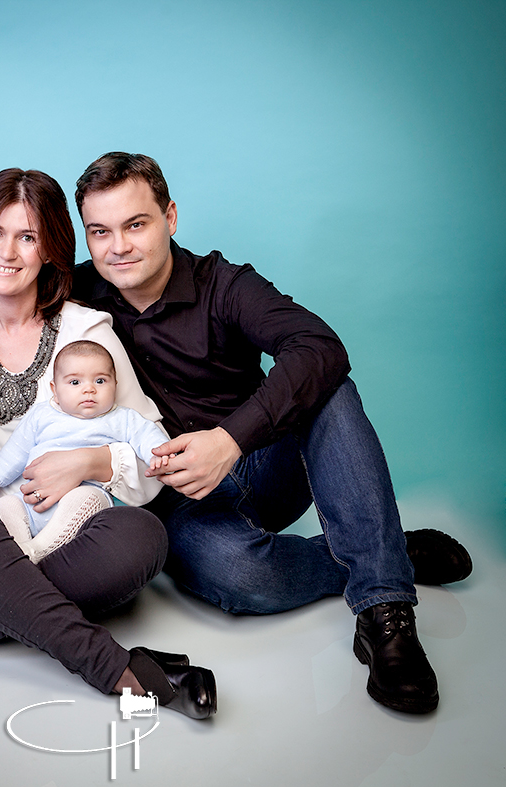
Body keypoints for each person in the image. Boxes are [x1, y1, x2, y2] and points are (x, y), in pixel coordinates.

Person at [71, 152, 473, 715]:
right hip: (182, 503)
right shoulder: (76, 297)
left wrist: (229, 440)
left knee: (326, 381)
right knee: (241, 577)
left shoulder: (225, 283)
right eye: (100, 232)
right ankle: (383, 552)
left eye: (136, 224)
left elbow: (321, 347)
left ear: (170, 216)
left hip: (266, 464)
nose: (119, 247)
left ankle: (384, 608)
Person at [0, 169, 217, 720]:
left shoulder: (88, 332)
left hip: (70, 536)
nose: (6, 252)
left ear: (51, 251)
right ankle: (118, 669)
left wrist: (93, 461)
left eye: (27, 237)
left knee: (145, 537)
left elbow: (155, 462)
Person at [0, 339, 171, 563]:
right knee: (7, 505)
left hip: (82, 507)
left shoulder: (122, 418)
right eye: (74, 382)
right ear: (55, 390)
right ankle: (19, 549)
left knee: (87, 497)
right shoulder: (42, 415)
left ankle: (36, 552)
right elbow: (16, 449)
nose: (89, 389)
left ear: (115, 385)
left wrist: (158, 455)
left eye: (100, 381)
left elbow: (146, 435)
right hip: (32, 504)